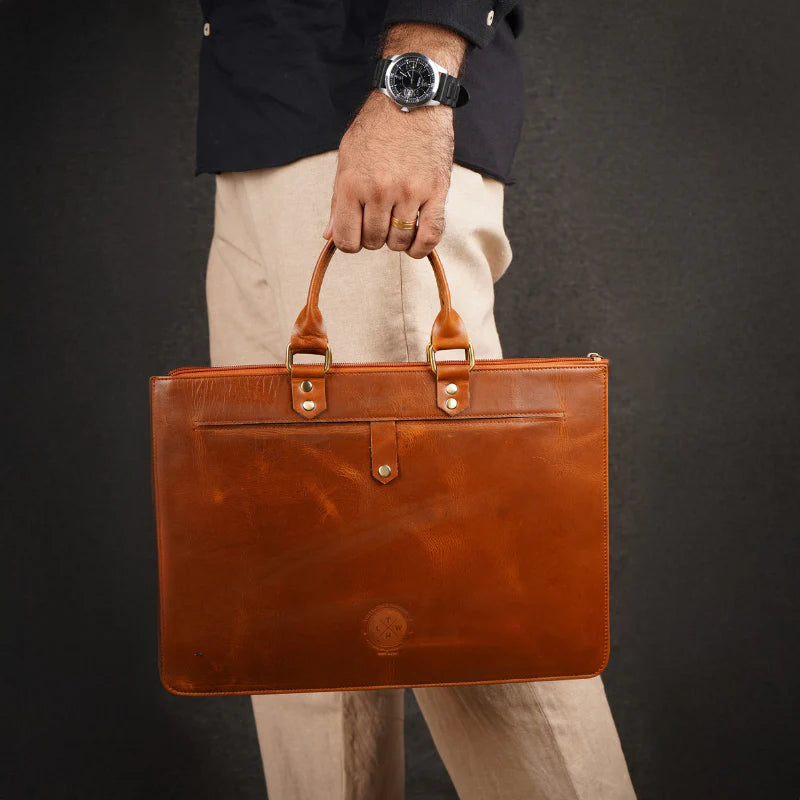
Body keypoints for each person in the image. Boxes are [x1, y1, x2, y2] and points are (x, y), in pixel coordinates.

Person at [196, 1, 637, 797]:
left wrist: (416, 86)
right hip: (259, 127)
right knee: (301, 632)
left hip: (366, 135)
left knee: (473, 617)